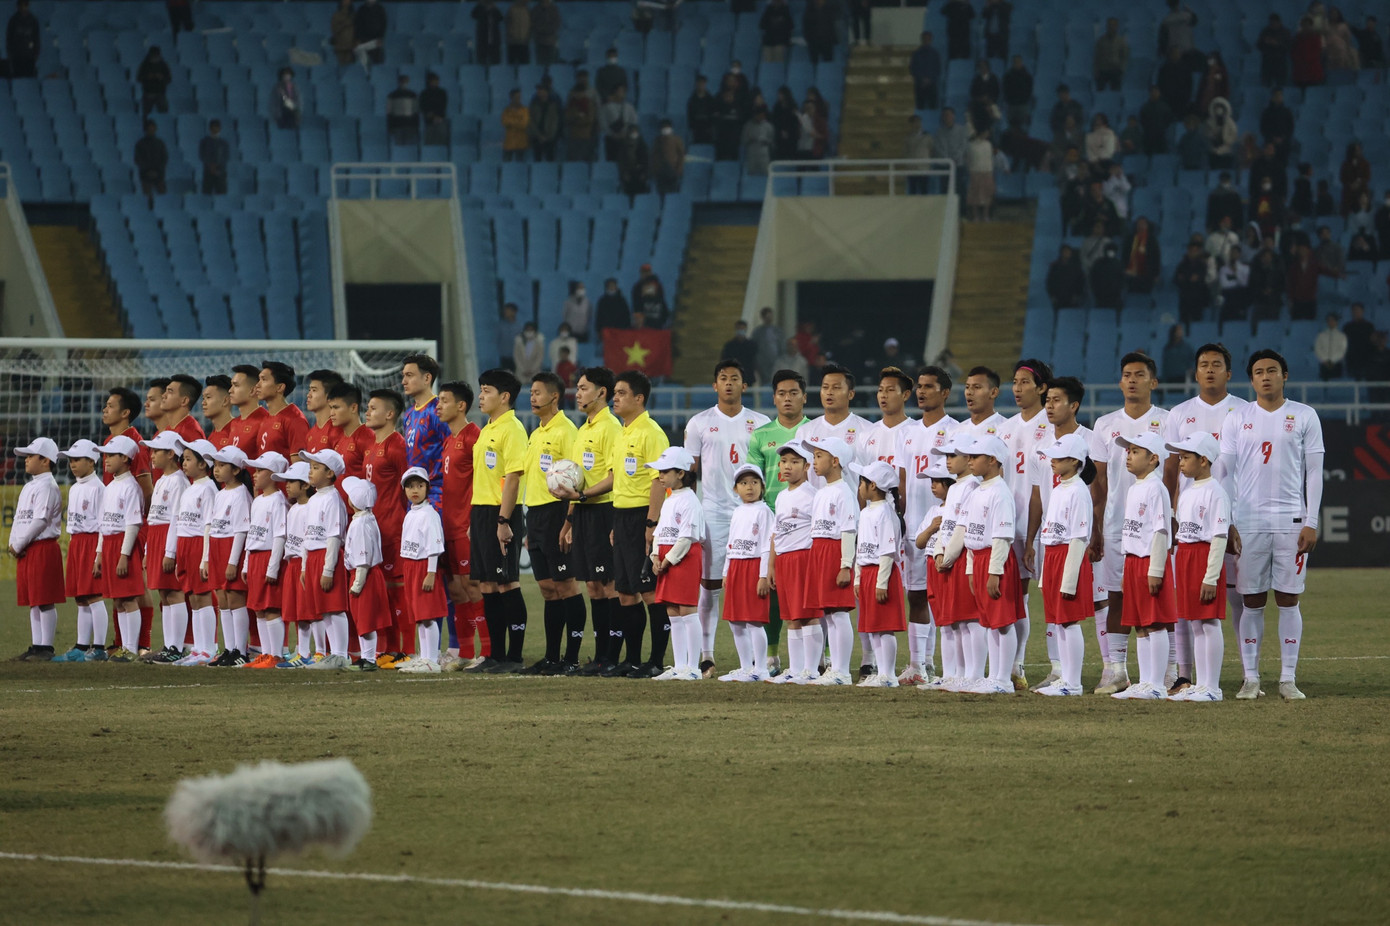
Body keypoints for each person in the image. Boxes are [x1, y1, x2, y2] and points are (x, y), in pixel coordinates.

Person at [1087, 352, 1174, 696]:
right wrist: (1097, 526)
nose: (1133, 380)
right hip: (1115, 524)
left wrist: (1174, 518)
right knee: (1115, 595)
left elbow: (1173, 476)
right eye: (1127, 374)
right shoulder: (1105, 425)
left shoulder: (1168, 421)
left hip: (1154, 525)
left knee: (1156, 596)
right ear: (1120, 382)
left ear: (1153, 382)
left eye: (1140, 375)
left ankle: (1167, 672)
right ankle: (1115, 670)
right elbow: (1100, 483)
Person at [604, 370, 669, 676]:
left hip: (644, 515)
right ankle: (632, 660)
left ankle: (655, 661)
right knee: (626, 592)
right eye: (614, 393)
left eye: (621, 393)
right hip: (623, 515)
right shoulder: (622, 432)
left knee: (650, 592)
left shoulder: (652, 433)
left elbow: (659, 481)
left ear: (639, 398)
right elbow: (621, 481)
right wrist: (618, 522)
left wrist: (652, 523)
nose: (614, 398)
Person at [1162, 433, 1230, 702]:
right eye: (1180, 457)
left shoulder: (1216, 492)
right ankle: (1201, 684)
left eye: (1186, 457)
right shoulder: (1188, 490)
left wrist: (1210, 577)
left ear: (1204, 460)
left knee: (1209, 622)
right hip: (1186, 555)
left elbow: (1219, 536)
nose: (1180, 463)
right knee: (1195, 624)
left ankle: (1212, 686)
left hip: (1204, 558)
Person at [470, 369, 529, 673]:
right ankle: (495, 655)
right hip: (481, 512)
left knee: (507, 583)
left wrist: (503, 519)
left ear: (504, 397)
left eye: (487, 390)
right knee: (488, 585)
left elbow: (514, 478)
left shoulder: (513, 429)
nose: (481, 396)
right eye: (480, 390)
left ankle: (514, 657)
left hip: (501, 513)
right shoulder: (486, 429)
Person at [1110, 431, 1177, 701]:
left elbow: (1160, 531)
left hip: (1150, 561)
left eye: (1135, 451)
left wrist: (1156, 569)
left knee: (1156, 623)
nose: (1128, 455)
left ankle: (1157, 684)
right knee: (1140, 624)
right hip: (1133, 561)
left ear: (1153, 459)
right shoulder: (1135, 487)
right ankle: (1145, 681)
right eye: (1128, 451)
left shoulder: (1155, 488)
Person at [957, 435, 1023, 694]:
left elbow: (1002, 536)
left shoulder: (1000, 493)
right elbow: (973, 535)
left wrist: (995, 571)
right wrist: (972, 569)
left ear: (992, 460)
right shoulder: (977, 491)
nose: (969, 461)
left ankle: (1003, 679)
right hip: (980, 559)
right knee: (988, 621)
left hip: (997, 559)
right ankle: (993, 675)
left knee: (1002, 621)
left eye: (975, 457)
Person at [1031, 433, 1094, 697]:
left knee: (1069, 622)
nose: (1051, 462)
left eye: (1057, 458)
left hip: (1070, 557)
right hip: (1054, 556)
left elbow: (1079, 537)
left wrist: (1069, 579)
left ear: (1074, 460)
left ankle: (1073, 682)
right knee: (1058, 622)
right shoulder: (1058, 489)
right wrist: (1047, 573)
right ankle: (1066, 678)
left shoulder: (1079, 491)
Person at [927, 437, 986, 690]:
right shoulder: (955, 488)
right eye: (946, 457)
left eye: (953, 456)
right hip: (949, 556)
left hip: (962, 555)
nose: (948, 461)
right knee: (958, 621)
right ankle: (959, 674)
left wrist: (948, 555)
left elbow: (964, 527)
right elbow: (947, 524)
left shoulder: (972, 485)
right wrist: (939, 551)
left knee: (971, 619)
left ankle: (974, 674)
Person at [643, 448, 703, 680]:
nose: (660, 475)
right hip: (667, 559)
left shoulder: (690, 500)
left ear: (681, 473)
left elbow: (687, 538)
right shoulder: (670, 498)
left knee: (687, 610)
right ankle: (679, 666)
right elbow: (661, 532)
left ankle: (693, 667)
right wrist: (655, 556)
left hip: (683, 558)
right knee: (672, 612)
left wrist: (666, 561)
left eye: (665, 471)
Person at [361, 389, 410, 660]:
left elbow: (409, 487)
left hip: (393, 528)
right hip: (374, 529)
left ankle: (406, 650)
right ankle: (389, 649)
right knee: (383, 593)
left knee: (397, 592)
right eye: (367, 407)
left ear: (390, 414)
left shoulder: (397, 445)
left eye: (373, 408)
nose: (367, 412)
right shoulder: (372, 445)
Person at [849, 460, 904, 687]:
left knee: (884, 627)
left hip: (883, 574)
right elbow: (861, 548)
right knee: (873, 626)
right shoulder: (867, 512)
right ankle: (882, 673)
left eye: (862, 482)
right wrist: (859, 577)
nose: (859, 487)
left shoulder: (885, 513)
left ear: (873, 486)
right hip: (869, 573)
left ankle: (888, 674)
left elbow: (887, 551)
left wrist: (881, 582)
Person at [9, 437, 64, 661]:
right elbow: (19, 518)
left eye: (31, 456)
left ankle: (46, 648)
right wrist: (14, 543)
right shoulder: (30, 486)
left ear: (45, 460)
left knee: (44, 599)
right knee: (34, 599)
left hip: (41, 546)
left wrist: (19, 543)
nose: (26, 459)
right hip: (28, 547)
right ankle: (37, 645)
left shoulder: (48, 486)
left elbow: (40, 520)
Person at [138, 432, 188, 663]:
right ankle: (169, 645)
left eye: (156, 451)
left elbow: (177, 519)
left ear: (171, 454)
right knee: (164, 595)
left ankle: (176, 648)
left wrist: (171, 552)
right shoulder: (160, 481)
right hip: (157, 537)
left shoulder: (179, 481)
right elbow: (154, 519)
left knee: (175, 592)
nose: (152, 455)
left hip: (170, 538)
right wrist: (148, 551)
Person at [201, 445, 252, 665]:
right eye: (216, 465)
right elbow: (212, 526)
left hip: (231, 548)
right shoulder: (220, 494)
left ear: (237, 470)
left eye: (222, 465)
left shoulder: (242, 494)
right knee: (222, 599)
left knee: (235, 598)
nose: (217, 469)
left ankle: (240, 651)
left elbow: (241, 530)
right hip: (217, 547)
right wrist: (207, 557)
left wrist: (233, 562)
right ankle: (229, 649)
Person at [395, 467, 449, 673]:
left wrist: (431, 572)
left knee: (428, 615)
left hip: (424, 567)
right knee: (419, 617)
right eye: (410, 486)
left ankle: (432, 659)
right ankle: (424, 657)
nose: (414, 490)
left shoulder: (430, 514)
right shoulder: (411, 514)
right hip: (410, 566)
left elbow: (435, 545)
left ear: (427, 487)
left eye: (419, 485)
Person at [169, 439, 218, 665]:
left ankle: (209, 648)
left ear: (203, 464)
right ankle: (198, 648)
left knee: (203, 596)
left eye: (188, 459)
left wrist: (206, 557)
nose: (184, 463)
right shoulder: (190, 488)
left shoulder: (208, 488)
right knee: (193, 598)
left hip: (200, 543)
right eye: (183, 458)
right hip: (186, 544)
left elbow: (209, 524)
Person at [240, 453, 290, 669]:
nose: (255, 474)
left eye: (260, 471)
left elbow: (280, 535)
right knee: (258, 608)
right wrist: (245, 563)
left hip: (269, 557)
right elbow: (252, 534)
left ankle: (276, 654)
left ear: (274, 475)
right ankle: (266, 653)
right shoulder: (258, 500)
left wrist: (273, 566)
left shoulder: (279, 501)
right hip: (255, 558)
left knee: (271, 608)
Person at [272, 462, 316, 667]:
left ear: (305, 484)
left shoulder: (312, 507)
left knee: (309, 612)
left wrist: (306, 566)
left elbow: (310, 538)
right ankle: (301, 651)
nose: (286, 486)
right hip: (293, 562)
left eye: (291, 482)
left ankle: (310, 653)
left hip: (304, 562)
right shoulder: (293, 508)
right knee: (297, 612)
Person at [254, 362, 308, 458]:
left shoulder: (295, 420)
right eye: (259, 379)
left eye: (264, 379)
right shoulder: (266, 418)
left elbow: (299, 466)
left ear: (280, 387)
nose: (257, 385)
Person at [303, 370, 345, 456]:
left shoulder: (339, 431)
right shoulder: (310, 433)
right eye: (309, 390)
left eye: (314, 390)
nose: (308, 395)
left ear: (329, 396)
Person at [1174, 241, 1211, 326]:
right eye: (1191, 250)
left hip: (1198, 297)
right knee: (1183, 320)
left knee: (1197, 321)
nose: (1193, 253)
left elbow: (1200, 277)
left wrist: (1187, 278)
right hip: (1185, 297)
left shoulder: (1202, 265)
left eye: (1195, 251)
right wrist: (1188, 279)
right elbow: (1177, 279)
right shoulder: (1182, 264)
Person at [601, 85, 639, 164]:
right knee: (612, 163)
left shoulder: (629, 107)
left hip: (626, 139)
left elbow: (634, 123)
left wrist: (627, 134)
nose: (623, 93)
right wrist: (612, 134)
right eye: (620, 91)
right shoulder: (606, 107)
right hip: (611, 140)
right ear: (614, 92)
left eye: (624, 91)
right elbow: (603, 124)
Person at [135, 120, 168, 202]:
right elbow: (138, 159)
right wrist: (148, 171)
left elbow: (164, 158)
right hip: (145, 175)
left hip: (159, 174)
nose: (151, 132)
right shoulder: (140, 144)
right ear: (145, 130)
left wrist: (157, 171)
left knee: (163, 198)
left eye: (153, 130)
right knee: (147, 199)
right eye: (149, 130)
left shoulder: (160, 143)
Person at [1094, 18, 1129, 91]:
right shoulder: (1101, 41)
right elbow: (1097, 57)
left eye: (1113, 25)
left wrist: (1121, 69)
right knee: (1100, 90)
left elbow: (1124, 56)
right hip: (1103, 70)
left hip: (1115, 70)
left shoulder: (1121, 41)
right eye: (1109, 25)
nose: (1111, 27)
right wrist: (1096, 71)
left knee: (1116, 92)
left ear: (1117, 27)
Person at [6, 0, 40, 78]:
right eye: (21, 5)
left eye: (25, 5)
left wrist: (35, 55)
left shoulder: (33, 20)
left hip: (29, 58)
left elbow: (36, 39)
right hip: (16, 58)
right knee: (18, 80)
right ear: (18, 6)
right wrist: (10, 55)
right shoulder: (13, 21)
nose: (23, 8)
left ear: (28, 6)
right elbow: (9, 40)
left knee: (29, 79)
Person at [966, 130, 995, 222]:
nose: (987, 133)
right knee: (975, 194)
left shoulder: (988, 144)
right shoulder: (971, 145)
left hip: (987, 171)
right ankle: (975, 216)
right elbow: (968, 159)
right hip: (975, 171)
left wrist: (990, 171)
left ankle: (986, 215)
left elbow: (991, 159)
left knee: (987, 194)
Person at [527, 82, 560, 162]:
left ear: (546, 92)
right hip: (536, 137)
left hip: (550, 138)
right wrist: (539, 135)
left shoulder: (553, 104)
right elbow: (530, 120)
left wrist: (548, 136)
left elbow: (554, 122)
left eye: (541, 90)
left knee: (550, 159)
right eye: (538, 90)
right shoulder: (533, 104)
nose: (539, 92)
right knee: (537, 159)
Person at [651, 118, 685, 194]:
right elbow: (654, 156)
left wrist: (679, 170)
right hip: (660, 171)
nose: (665, 129)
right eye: (663, 128)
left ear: (671, 128)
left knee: (672, 192)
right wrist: (655, 170)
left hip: (673, 170)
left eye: (667, 127)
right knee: (661, 193)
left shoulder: (677, 140)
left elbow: (681, 156)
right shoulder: (657, 140)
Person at [1046, 245, 1085, 309]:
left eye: (1068, 252)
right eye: (1065, 252)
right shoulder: (1055, 267)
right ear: (1061, 253)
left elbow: (1081, 281)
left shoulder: (1076, 267)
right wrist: (1052, 296)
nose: (1067, 253)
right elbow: (1050, 282)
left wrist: (1077, 295)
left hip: (1072, 299)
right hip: (1058, 299)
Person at [909, 32, 941, 110]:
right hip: (920, 85)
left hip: (932, 84)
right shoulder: (916, 54)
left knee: (933, 107)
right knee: (920, 107)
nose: (926, 41)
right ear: (922, 40)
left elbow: (938, 69)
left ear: (931, 40)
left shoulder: (935, 54)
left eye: (928, 39)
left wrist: (929, 79)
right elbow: (913, 69)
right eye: (925, 39)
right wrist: (921, 79)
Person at [1258, 13, 1291, 87]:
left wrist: (1277, 44)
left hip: (1280, 62)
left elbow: (1289, 47)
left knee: (1280, 85)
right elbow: (1259, 45)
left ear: (1279, 22)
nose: (1273, 24)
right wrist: (1266, 42)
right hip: (1267, 62)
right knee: (1267, 84)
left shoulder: (1285, 32)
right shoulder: (1265, 32)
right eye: (1271, 22)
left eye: (1274, 22)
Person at [137, 47, 172, 116]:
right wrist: (148, 77)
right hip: (148, 93)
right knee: (146, 114)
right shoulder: (145, 65)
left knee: (163, 114)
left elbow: (169, 79)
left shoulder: (163, 65)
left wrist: (161, 77)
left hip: (160, 93)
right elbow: (139, 78)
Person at [1292, 16, 1325, 88]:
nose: (1305, 27)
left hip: (1313, 71)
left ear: (1311, 26)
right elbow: (1294, 53)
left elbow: (1317, 52)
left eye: (1307, 25)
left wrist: (1306, 59)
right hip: (1300, 72)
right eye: (1303, 25)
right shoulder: (1297, 38)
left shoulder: (1316, 38)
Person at [385, 74, 419, 145]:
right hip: (397, 125)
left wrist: (416, 126)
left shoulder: (413, 95)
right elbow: (389, 112)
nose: (404, 84)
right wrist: (390, 127)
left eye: (406, 82)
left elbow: (416, 112)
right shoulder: (392, 95)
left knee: (409, 148)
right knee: (399, 147)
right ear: (398, 82)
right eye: (402, 82)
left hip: (410, 125)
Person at [1339, 143, 1371, 217]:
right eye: (1356, 150)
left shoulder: (1365, 163)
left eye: (1359, 150)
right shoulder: (1345, 164)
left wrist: (1359, 182)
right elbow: (1342, 178)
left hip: (1361, 191)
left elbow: (1367, 177)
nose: (1358, 152)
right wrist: (1350, 184)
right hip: (1348, 193)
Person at [618, 125, 650, 199]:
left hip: (640, 174)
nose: (634, 133)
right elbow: (621, 162)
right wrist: (624, 174)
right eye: (632, 131)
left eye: (635, 131)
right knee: (629, 196)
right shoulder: (624, 145)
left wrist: (645, 173)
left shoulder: (643, 145)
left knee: (641, 197)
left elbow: (646, 161)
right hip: (629, 174)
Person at [1314, 312, 1348, 381]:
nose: (1331, 322)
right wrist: (1325, 360)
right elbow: (1318, 349)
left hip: (1337, 364)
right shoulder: (1321, 336)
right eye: (1329, 320)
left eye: (1333, 320)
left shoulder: (1342, 336)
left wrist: (1332, 361)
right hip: (1324, 364)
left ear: (1336, 322)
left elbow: (1342, 350)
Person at [741, 107, 774, 176]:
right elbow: (743, 140)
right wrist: (750, 139)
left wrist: (766, 141)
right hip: (752, 153)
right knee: (751, 174)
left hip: (764, 154)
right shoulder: (748, 126)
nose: (761, 117)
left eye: (762, 115)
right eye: (759, 115)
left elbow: (772, 141)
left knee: (766, 174)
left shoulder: (768, 126)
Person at [803, 0, 837, 65]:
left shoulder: (828, 9)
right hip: (813, 41)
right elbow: (806, 26)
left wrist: (832, 39)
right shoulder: (809, 10)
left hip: (827, 41)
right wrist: (808, 39)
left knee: (828, 62)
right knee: (814, 62)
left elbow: (831, 25)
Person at [354, 0, 387, 64]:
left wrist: (380, 37)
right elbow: (358, 26)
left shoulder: (380, 9)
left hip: (375, 40)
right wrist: (358, 39)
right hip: (363, 40)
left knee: (377, 58)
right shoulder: (361, 10)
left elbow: (383, 25)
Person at [501, 88, 529, 162]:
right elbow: (505, 122)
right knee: (506, 165)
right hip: (509, 143)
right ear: (511, 98)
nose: (518, 99)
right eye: (516, 97)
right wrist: (518, 121)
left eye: (519, 97)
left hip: (521, 143)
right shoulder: (506, 111)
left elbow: (524, 124)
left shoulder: (525, 110)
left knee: (519, 166)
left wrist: (512, 122)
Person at [531, 0, 561, 64]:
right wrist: (541, 30)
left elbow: (556, 23)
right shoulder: (536, 9)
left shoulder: (553, 9)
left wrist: (548, 30)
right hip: (539, 41)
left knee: (551, 63)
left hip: (551, 41)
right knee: (540, 64)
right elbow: (533, 23)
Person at [504, 0, 530, 64]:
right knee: (512, 64)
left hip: (523, 41)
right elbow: (508, 23)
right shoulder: (512, 9)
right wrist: (511, 34)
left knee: (524, 66)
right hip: (513, 42)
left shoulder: (527, 10)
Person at [330, 0, 356, 65]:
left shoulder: (354, 15)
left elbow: (358, 30)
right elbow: (334, 29)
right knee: (341, 68)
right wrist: (346, 23)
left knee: (350, 69)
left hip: (351, 47)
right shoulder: (336, 15)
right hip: (340, 47)